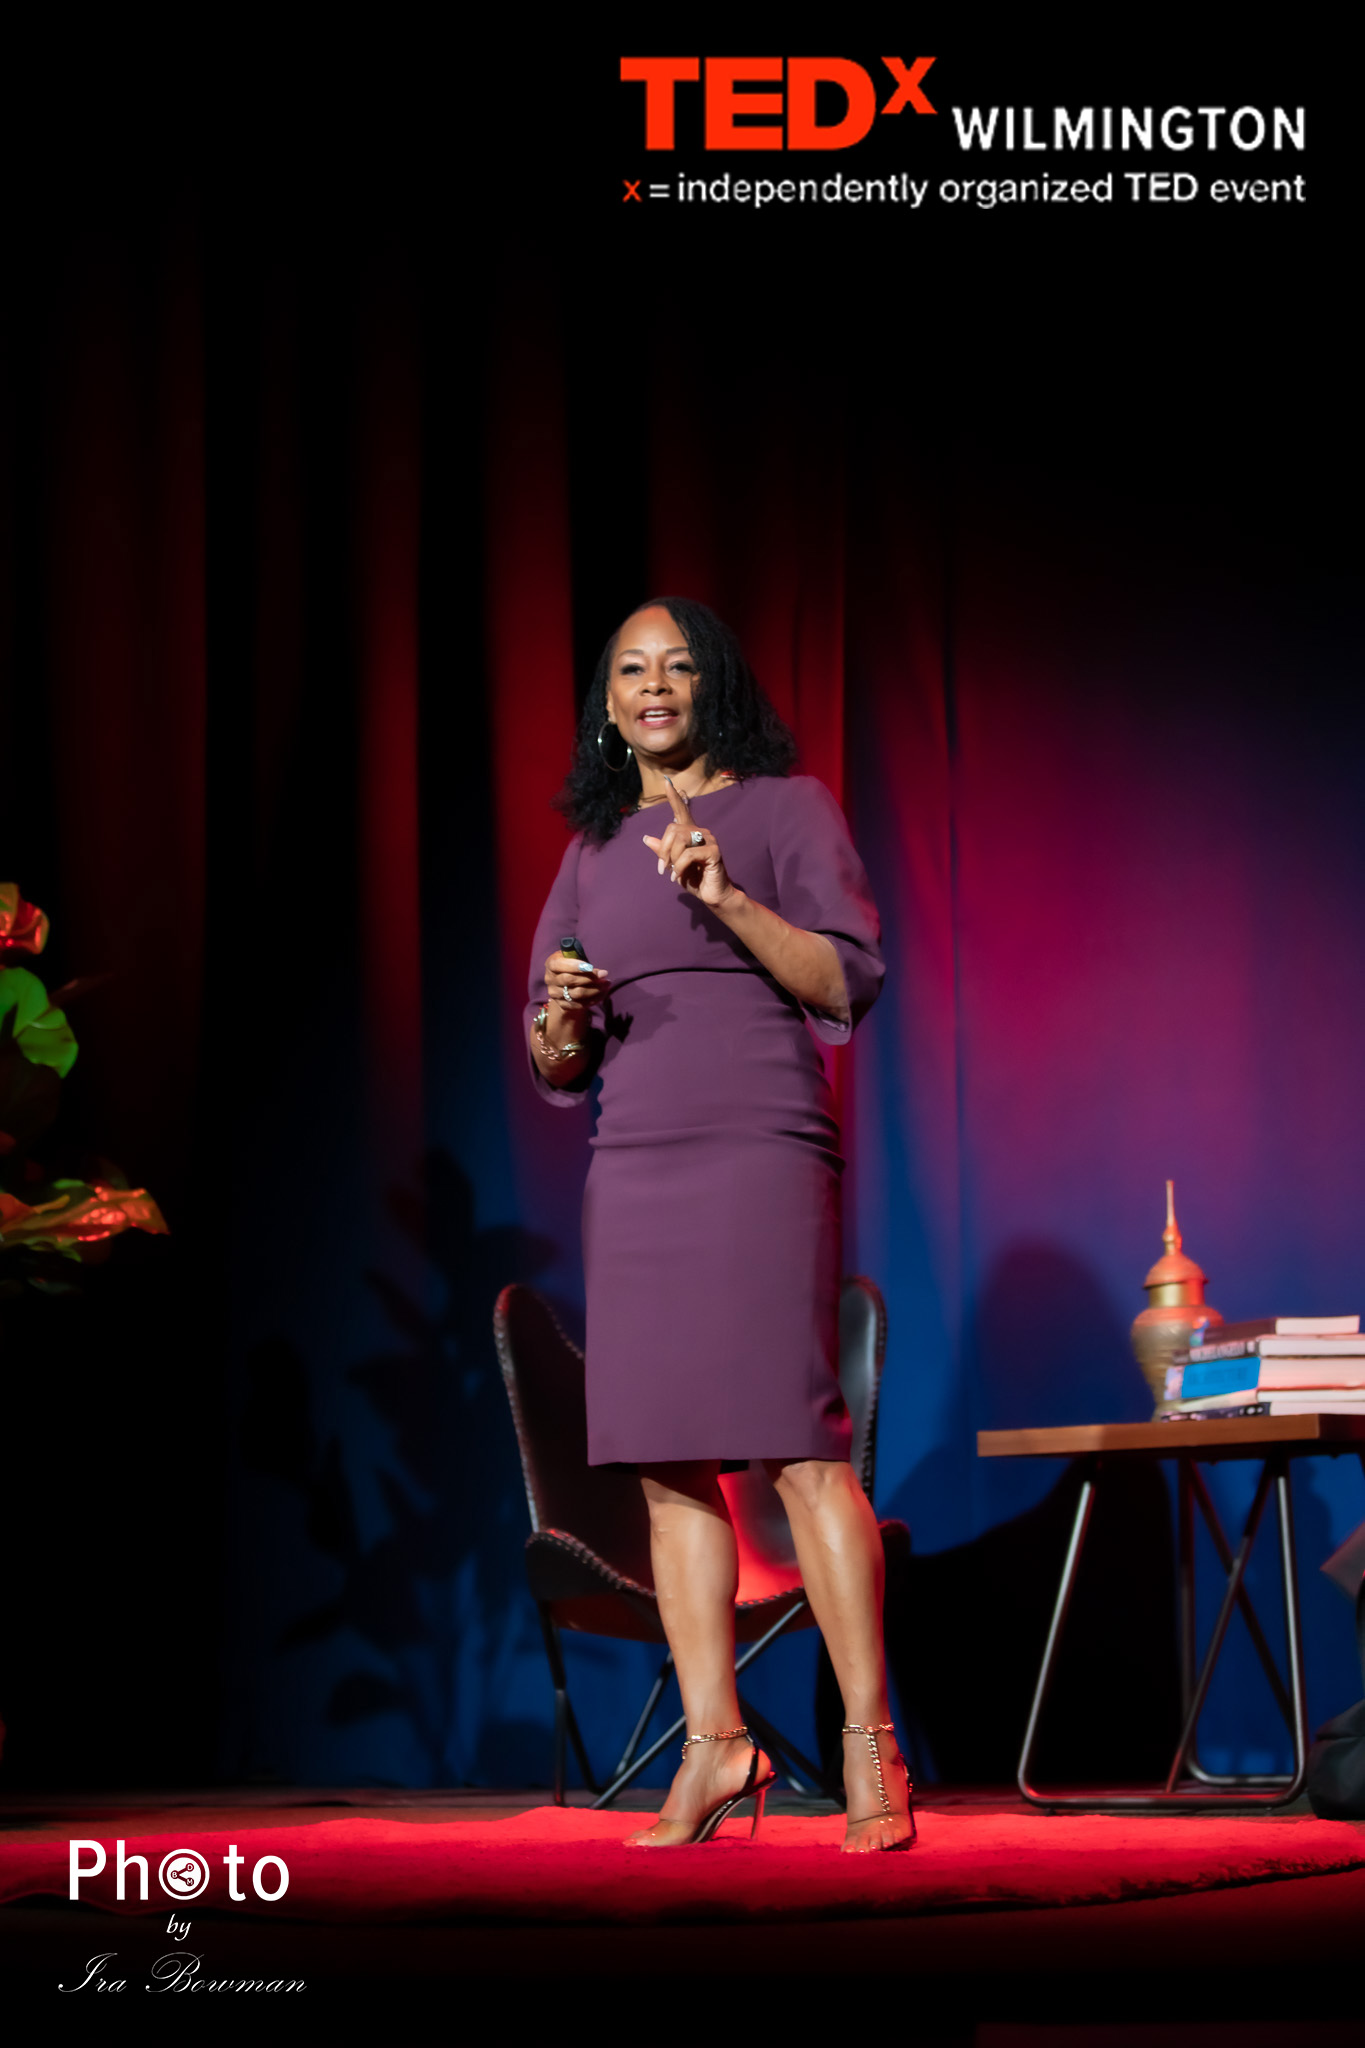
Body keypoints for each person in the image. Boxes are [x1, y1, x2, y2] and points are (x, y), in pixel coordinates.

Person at [526, 597, 913, 1853]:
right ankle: (714, 1744)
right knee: (666, 1461)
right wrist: (562, 1019)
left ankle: (869, 1744)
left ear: (714, 686)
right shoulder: (591, 850)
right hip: (635, 1161)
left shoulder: (789, 808)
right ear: (607, 704)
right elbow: (556, 1055)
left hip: (759, 1145)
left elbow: (847, 978)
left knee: (801, 1450)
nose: (655, 686)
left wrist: (727, 896)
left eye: (679, 666)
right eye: (631, 670)